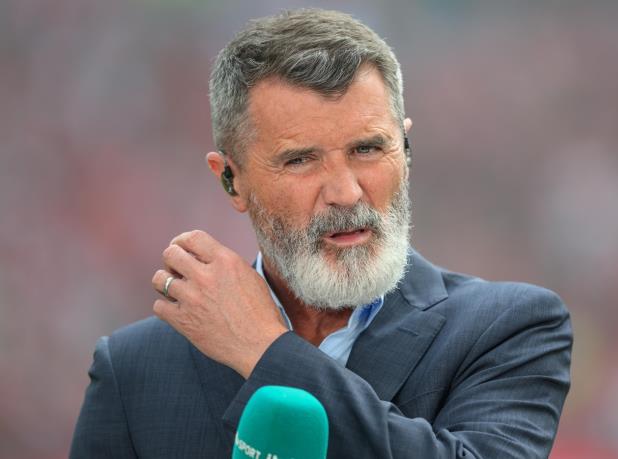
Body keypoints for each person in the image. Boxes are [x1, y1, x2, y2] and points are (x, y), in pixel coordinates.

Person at [70, 8, 572, 459]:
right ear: (231, 179)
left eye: (367, 150)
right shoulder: (133, 369)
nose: (346, 193)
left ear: (406, 150)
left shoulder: (510, 328)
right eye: (301, 160)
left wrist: (266, 352)